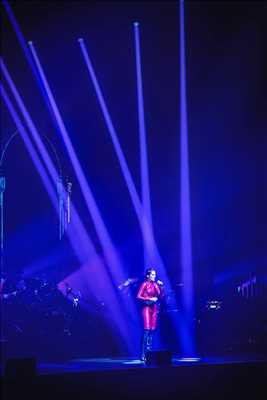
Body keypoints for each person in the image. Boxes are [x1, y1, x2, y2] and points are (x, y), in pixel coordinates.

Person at [136, 268, 164, 361]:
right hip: (146, 308)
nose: (154, 276)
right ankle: (143, 354)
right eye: (152, 274)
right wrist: (149, 299)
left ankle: (149, 353)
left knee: (152, 331)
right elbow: (138, 296)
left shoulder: (156, 285)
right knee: (146, 330)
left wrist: (162, 286)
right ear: (148, 275)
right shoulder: (144, 284)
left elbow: (161, 296)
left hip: (154, 309)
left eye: (154, 274)